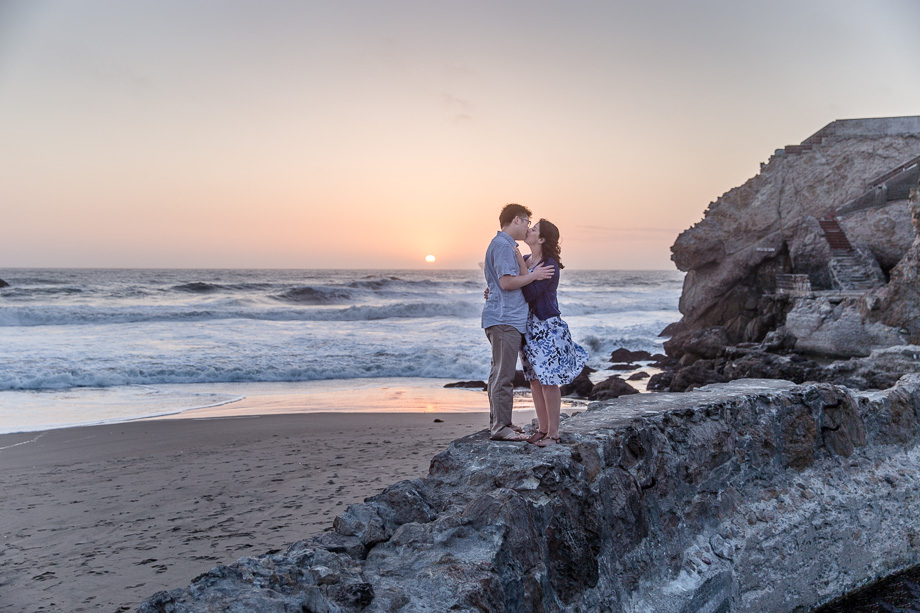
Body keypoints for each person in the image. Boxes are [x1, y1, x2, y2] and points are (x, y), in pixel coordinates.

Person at [482, 203, 553, 441]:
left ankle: (502, 423)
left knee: (498, 374)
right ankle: (500, 427)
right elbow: (506, 282)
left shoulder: (505, 246)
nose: (528, 227)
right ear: (516, 221)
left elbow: (499, 282)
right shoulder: (503, 246)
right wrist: (533, 275)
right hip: (505, 319)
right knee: (503, 376)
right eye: (526, 222)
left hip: (504, 317)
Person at [516, 219, 588, 447]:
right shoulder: (528, 261)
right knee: (534, 381)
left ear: (542, 239)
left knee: (549, 381)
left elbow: (529, 293)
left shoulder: (549, 265)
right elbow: (513, 287)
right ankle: (542, 429)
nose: (529, 230)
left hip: (547, 329)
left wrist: (521, 267)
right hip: (528, 328)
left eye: (534, 229)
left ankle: (554, 435)